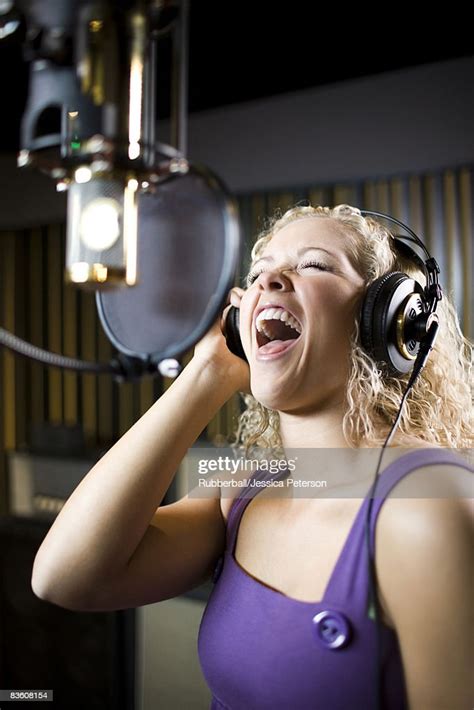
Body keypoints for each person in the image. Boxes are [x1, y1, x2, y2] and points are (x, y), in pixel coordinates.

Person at [31, 204, 473, 710]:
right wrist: (206, 375)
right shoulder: (239, 493)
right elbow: (64, 577)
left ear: (388, 319)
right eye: (259, 271)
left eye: (314, 264)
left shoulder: (425, 505)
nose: (270, 280)